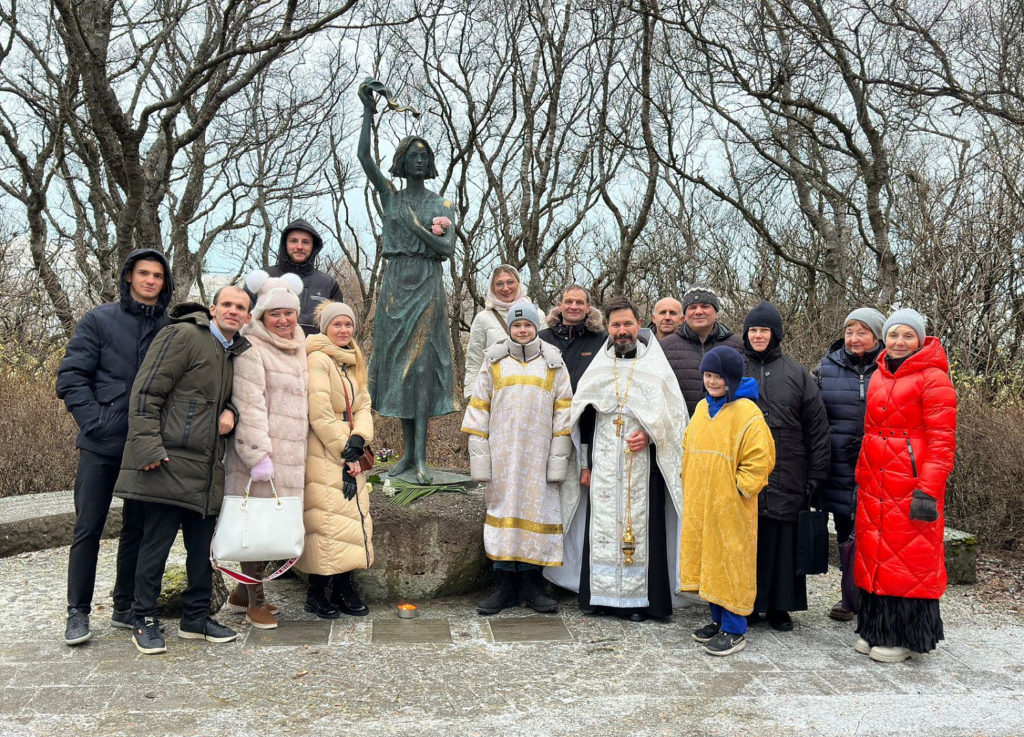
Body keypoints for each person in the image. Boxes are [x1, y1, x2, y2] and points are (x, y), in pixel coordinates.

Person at [113, 286, 253, 654]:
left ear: (248, 317)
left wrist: (233, 413)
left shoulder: (233, 351)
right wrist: (148, 447)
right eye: (227, 304)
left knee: (202, 550)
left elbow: (224, 403)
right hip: (168, 461)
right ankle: (143, 617)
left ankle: (196, 618)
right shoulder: (184, 335)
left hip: (206, 467)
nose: (233, 311)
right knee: (154, 545)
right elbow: (146, 393)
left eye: (241, 307)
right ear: (213, 308)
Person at [56, 249, 175, 645]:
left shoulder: (170, 327)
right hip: (101, 443)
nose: (150, 281)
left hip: (145, 444)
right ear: (129, 277)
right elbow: (72, 376)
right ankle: (78, 612)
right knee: (88, 527)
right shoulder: (99, 320)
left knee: (137, 529)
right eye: (143, 273)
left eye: (158, 275)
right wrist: (95, 421)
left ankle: (125, 606)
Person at [546, 296, 689, 622]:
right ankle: (599, 597)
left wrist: (652, 436)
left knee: (642, 531)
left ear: (639, 325)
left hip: (642, 465)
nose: (622, 330)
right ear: (608, 328)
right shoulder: (598, 368)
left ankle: (641, 603)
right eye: (616, 325)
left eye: (627, 324)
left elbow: (675, 420)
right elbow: (580, 418)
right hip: (604, 465)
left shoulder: (656, 369)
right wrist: (585, 465)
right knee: (601, 530)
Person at [358, 83, 456, 485]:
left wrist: (421, 231)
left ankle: (420, 459)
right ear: (402, 161)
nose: (419, 160)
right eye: (412, 155)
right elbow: (364, 157)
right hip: (395, 284)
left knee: (421, 368)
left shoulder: (441, 203)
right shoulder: (391, 196)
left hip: (427, 283)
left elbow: (446, 249)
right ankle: (403, 457)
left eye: (425, 155)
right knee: (398, 368)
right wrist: (368, 111)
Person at [854, 308, 956, 663]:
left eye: (907, 336)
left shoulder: (934, 378)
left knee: (910, 561)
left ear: (920, 339)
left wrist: (928, 488)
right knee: (876, 554)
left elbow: (942, 440)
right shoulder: (880, 373)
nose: (899, 342)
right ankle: (875, 628)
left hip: (911, 481)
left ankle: (908, 635)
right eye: (894, 335)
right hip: (876, 479)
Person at [462, 300, 573, 615]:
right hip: (503, 456)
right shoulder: (494, 362)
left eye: (527, 325)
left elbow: (563, 414)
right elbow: (478, 409)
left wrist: (557, 461)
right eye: (516, 325)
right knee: (502, 514)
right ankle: (503, 586)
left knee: (537, 516)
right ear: (509, 328)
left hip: (538, 458)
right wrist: (480, 461)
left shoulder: (553, 363)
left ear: (536, 327)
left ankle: (532, 586)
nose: (522, 330)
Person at [222, 271, 310, 630]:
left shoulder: (300, 346)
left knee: (273, 527)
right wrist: (258, 455)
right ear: (260, 316)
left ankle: (244, 591)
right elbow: (249, 404)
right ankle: (255, 602)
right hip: (261, 456)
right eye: (275, 314)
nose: (283, 320)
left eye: (289, 313)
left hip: (292, 454)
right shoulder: (252, 349)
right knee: (254, 530)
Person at [741, 301, 830, 632]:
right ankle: (747, 603)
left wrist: (817, 474)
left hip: (790, 468)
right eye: (754, 330)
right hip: (746, 468)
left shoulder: (797, 373)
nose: (759, 335)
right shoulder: (736, 369)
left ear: (775, 334)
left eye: (765, 330)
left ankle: (780, 607)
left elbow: (817, 427)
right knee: (749, 540)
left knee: (782, 539)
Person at [681, 346, 775, 656]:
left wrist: (741, 489)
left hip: (731, 503)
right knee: (710, 557)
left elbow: (760, 458)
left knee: (731, 560)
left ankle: (735, 627)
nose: (711, 381)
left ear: (731, 379)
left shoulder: (747, 413)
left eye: (718, 377)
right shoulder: (700, 409)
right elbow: (688, 445)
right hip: (702, 500)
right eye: (707, 375)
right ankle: (718, 619)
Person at [297, 301, 375, 619]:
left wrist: (360, 441)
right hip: (324, 450)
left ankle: (344, 586)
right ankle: (317, 592)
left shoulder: (352, 360)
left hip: (350, 445)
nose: (344, 331)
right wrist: (346, 451)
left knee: (350, 520)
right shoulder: (318, 359)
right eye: (337, 325)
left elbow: (363, 405)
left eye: (348, 325)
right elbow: (319, 412)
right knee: (328, 522)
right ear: (325, 328)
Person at [815, 307, 885, 621]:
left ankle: (875, 598)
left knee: (877, 534)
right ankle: (850, 597)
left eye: (862, 332)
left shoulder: (889, 369)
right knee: (846, 530)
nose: (854, 339)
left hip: (879, 464)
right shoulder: (826, 367)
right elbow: (814, 414)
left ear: (876, 336)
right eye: (849, 332)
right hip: (839, 463)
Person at [661, 285, 744, 415]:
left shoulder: (737, 345)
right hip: (683, 429)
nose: (698, 311)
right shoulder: (665, 347)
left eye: (705, 306)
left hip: (726, 428)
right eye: (692, 307)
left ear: (716, 312)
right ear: (685, 314)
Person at [265, 219, 343, 335]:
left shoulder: (328, 284)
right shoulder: (264, 278)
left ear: (313, 247)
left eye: (306, 242)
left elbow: (339, 325)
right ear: (285, 244)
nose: (299, 246)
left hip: (314, 351)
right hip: (268, 349)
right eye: (294, 241)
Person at [463, 264, 530, 398]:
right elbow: (474, 360)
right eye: (499, 284)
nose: (505, 288)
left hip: (530, 392)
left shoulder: (536, 315)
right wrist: (472, 394)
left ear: (519, 283)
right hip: (494, 394)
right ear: (493, 288)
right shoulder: (483, 319)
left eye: (510, 282)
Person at [537, 284, 607, 391]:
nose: (573, 307)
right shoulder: (542, 339)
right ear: (560, 306)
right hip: (550, 406)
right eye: (569, 302)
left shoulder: (602, 340)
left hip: (588, 406)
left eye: (579, 302)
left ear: (588, 307)